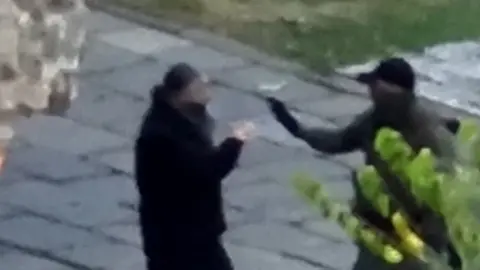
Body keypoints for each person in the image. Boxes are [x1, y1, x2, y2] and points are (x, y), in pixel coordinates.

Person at [266, 57, 461, 269]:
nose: (370, 92)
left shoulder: (429, 135)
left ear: (393, 92)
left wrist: (434, 244)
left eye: (374, 86)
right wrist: (298, 130)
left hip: (412, 239)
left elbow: (443, 193)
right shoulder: (376, 119)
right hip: (376, 228)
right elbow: (341, 140)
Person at [135, 63, 255, 270]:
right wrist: (234, 142)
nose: (206, 89)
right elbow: (206, 170)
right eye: (198, 87)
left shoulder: (183, 117)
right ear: (178, 95)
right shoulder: (163, 136)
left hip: (192, 228)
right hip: (177, 233)